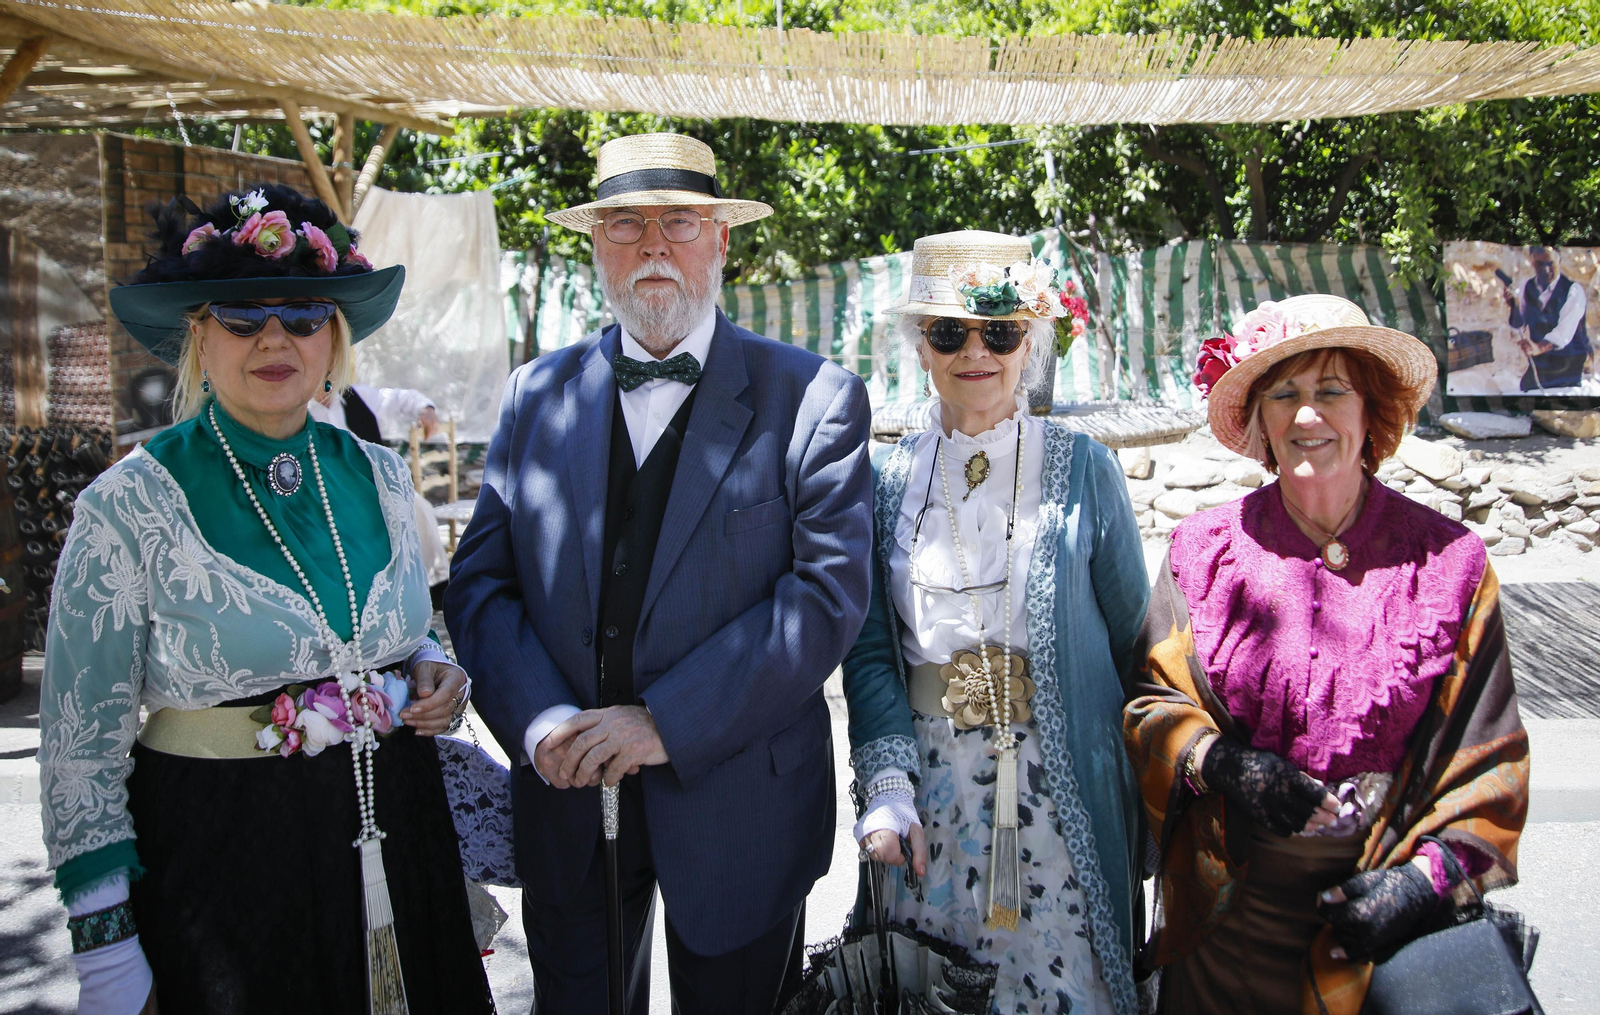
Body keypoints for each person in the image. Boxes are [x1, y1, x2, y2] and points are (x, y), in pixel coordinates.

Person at [445, 132, 873, 1014]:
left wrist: (661, 722)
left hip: (740, 809)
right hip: (568, 801)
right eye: (625, 224)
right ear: (595, 244)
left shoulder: (814, 398)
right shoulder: (535, 394)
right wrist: (540, 722)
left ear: (720, 239)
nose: (652, 247)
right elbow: (481, 584)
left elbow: (825, 597)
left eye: (679, 222)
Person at [42, 184, 493, 1015]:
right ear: (198, 335)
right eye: (243, 318)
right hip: (223, 877)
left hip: (397, 849)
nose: (275, 337)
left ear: (336, 338)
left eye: (304, 314)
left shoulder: (383, 477)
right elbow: (81, 753)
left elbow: (400, 633)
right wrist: (107, 959)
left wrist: (433, 669)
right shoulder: (128, 505)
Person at [1126, 294, 1530, 1014]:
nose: (1306, 415)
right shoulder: (1203, 552)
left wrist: (1424, 883)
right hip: (1226, 940)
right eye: (1284, 393)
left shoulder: (1449, 563)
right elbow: (1151, 704)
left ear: (1372, 411)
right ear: (1261, 423)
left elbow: (1488, 759)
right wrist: (1225, 764)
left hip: (1382, 946)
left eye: (1331, 390)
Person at [841, 230, 1146, 1015]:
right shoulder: (883, 481)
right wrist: (885, 787)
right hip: (928, 807)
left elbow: (1137, 644)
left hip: (1061, 794)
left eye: (1001, 331)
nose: (976, 351)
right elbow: (870, 648)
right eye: (950, 332)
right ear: (921, 349)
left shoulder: (1085, 467)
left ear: (1030, 341)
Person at [310, 381, 451, 597]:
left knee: (417, 506)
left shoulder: (356, 397)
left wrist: (425, 409)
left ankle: (432, 583)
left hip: (373, 485)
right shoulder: (300, 409)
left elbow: (400, 398)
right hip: (326, 494)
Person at [1502, 245, 1590, 390]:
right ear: (1532, 263)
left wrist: (1538, 348)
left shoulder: (1573, 290)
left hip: (1567, 364)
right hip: (1540, 362)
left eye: (1550, 263)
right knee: (1525, 390)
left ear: (1559, 262)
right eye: (1539, 264)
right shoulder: (1527, 286)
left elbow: (1563, 333)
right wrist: (1513, 306)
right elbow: (1519, 324)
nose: (1545, 269)